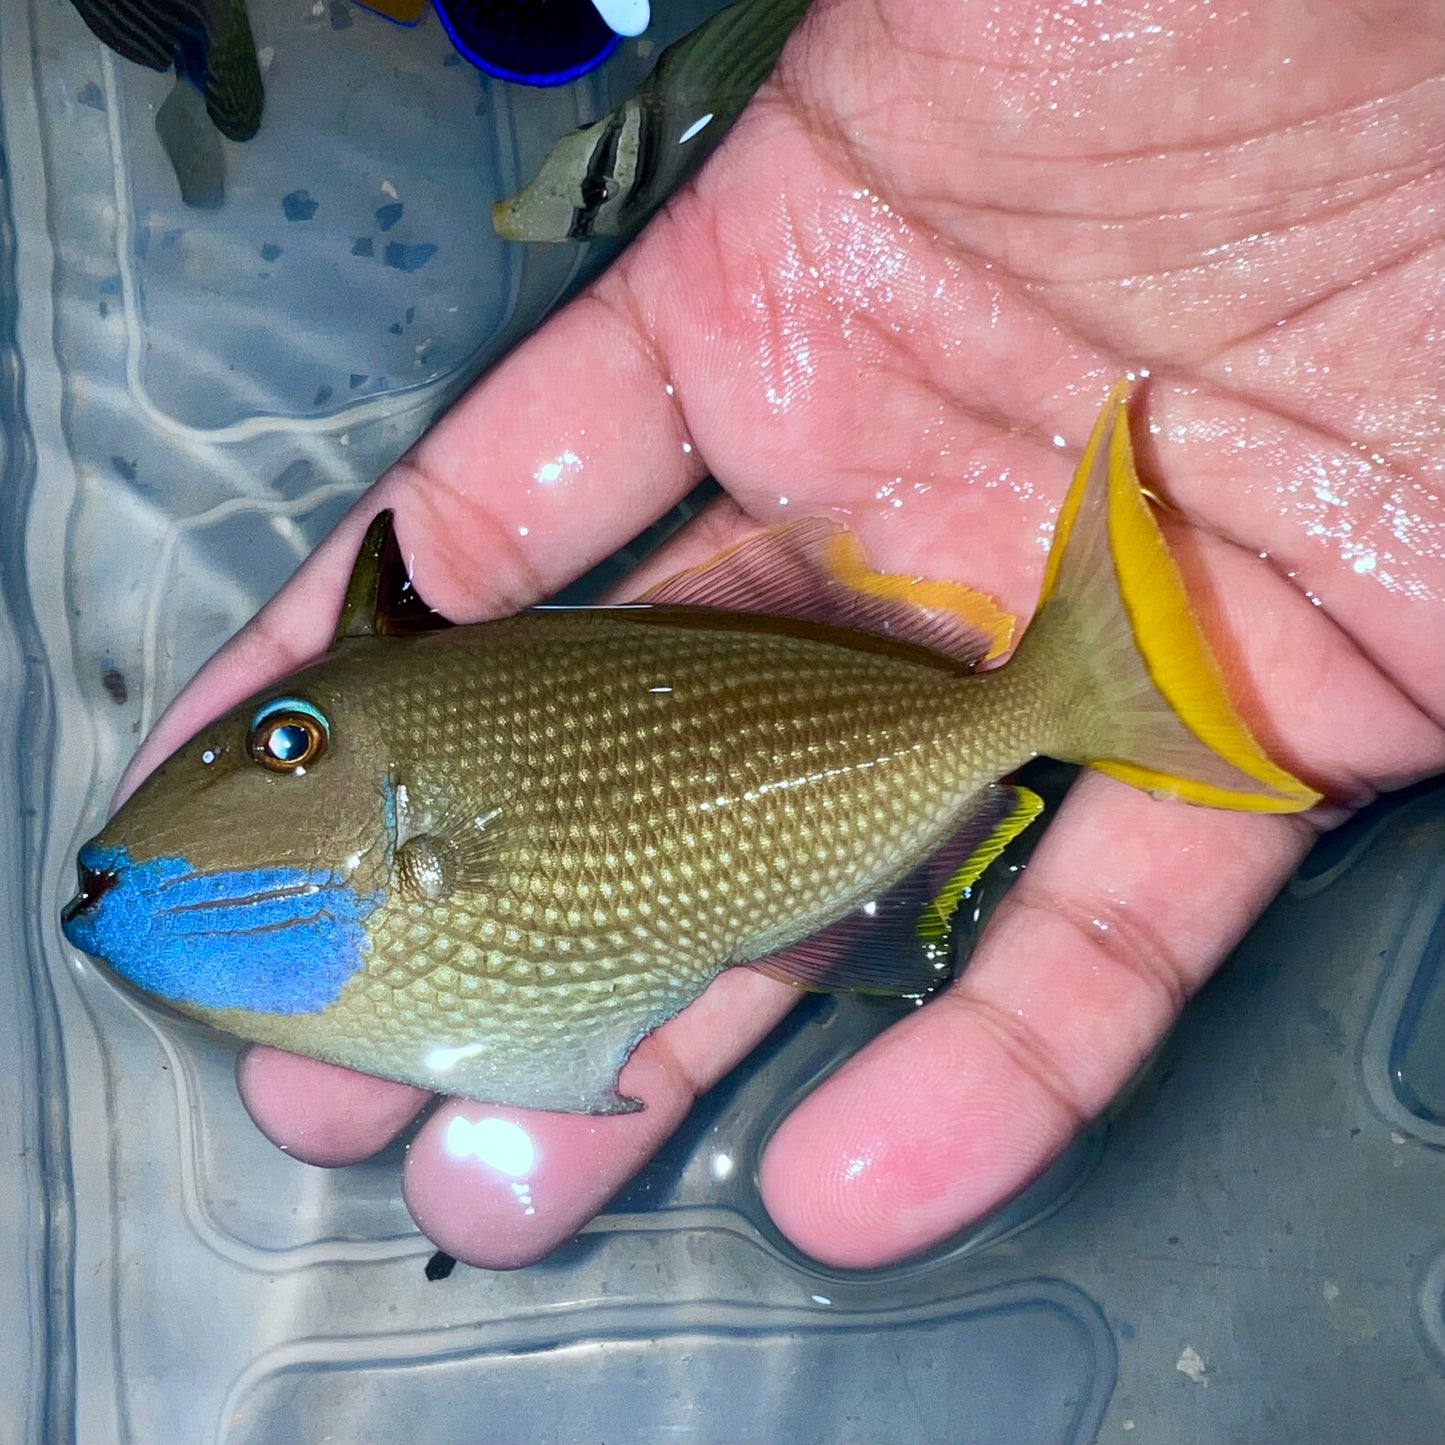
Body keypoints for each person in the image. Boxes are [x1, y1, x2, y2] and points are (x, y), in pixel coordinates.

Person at [119, 0, 1443, 1270]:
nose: (278, 745)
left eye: (291, 736)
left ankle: (1062, 690)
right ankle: (1061, 693)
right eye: (284, 734)